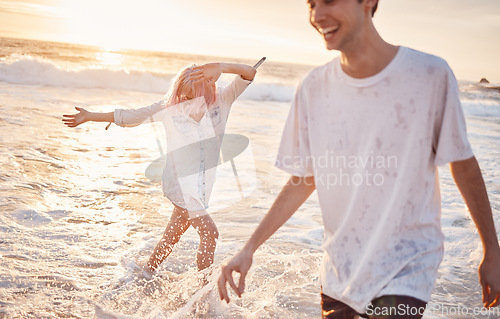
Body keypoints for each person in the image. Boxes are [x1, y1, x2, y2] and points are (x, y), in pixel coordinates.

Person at [217, 0, 500, 318]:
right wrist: (249, 247)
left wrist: (491, 249)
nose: (317, 15)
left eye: (328, 1)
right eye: (311, 4)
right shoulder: (314, 87)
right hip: (340, 272)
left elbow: (461, 161)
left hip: (406, 267)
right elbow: (305, 178)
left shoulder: (429, 74)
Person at [63, 62, 256, 275]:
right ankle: (205, 292)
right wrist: (90, 115)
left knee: (171, 238)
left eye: (213, 78)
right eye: (207, 82)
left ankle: (146, 273)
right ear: (191, 90)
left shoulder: (223, 99)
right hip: (180, 185)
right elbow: (131, 116)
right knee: (210, 234)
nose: (214, 83)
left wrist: (220, 67)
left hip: (201, 187)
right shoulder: (170, 109)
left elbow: (249, 73)